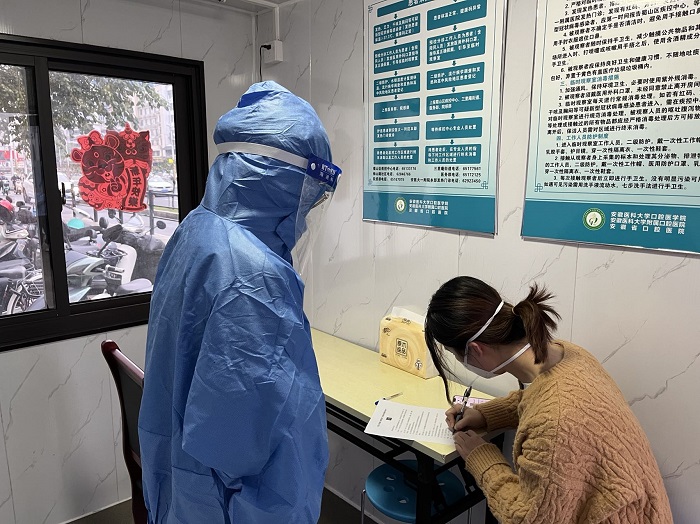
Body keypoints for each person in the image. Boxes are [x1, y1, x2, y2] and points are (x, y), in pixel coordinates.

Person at [138, 82, 341, 524]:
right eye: (307, 193)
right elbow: (246, 442)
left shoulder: (195, 230)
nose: (305, 214)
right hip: (229, 507)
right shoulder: (255, 276)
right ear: (279, 181)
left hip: (182, 487)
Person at [424, 276, 673, 523]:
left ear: (475, 349)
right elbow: (540, 397)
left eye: (454, 354)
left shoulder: (554, 425)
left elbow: (527, 520)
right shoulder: (567, 354)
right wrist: (485, 414)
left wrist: (480, 457)